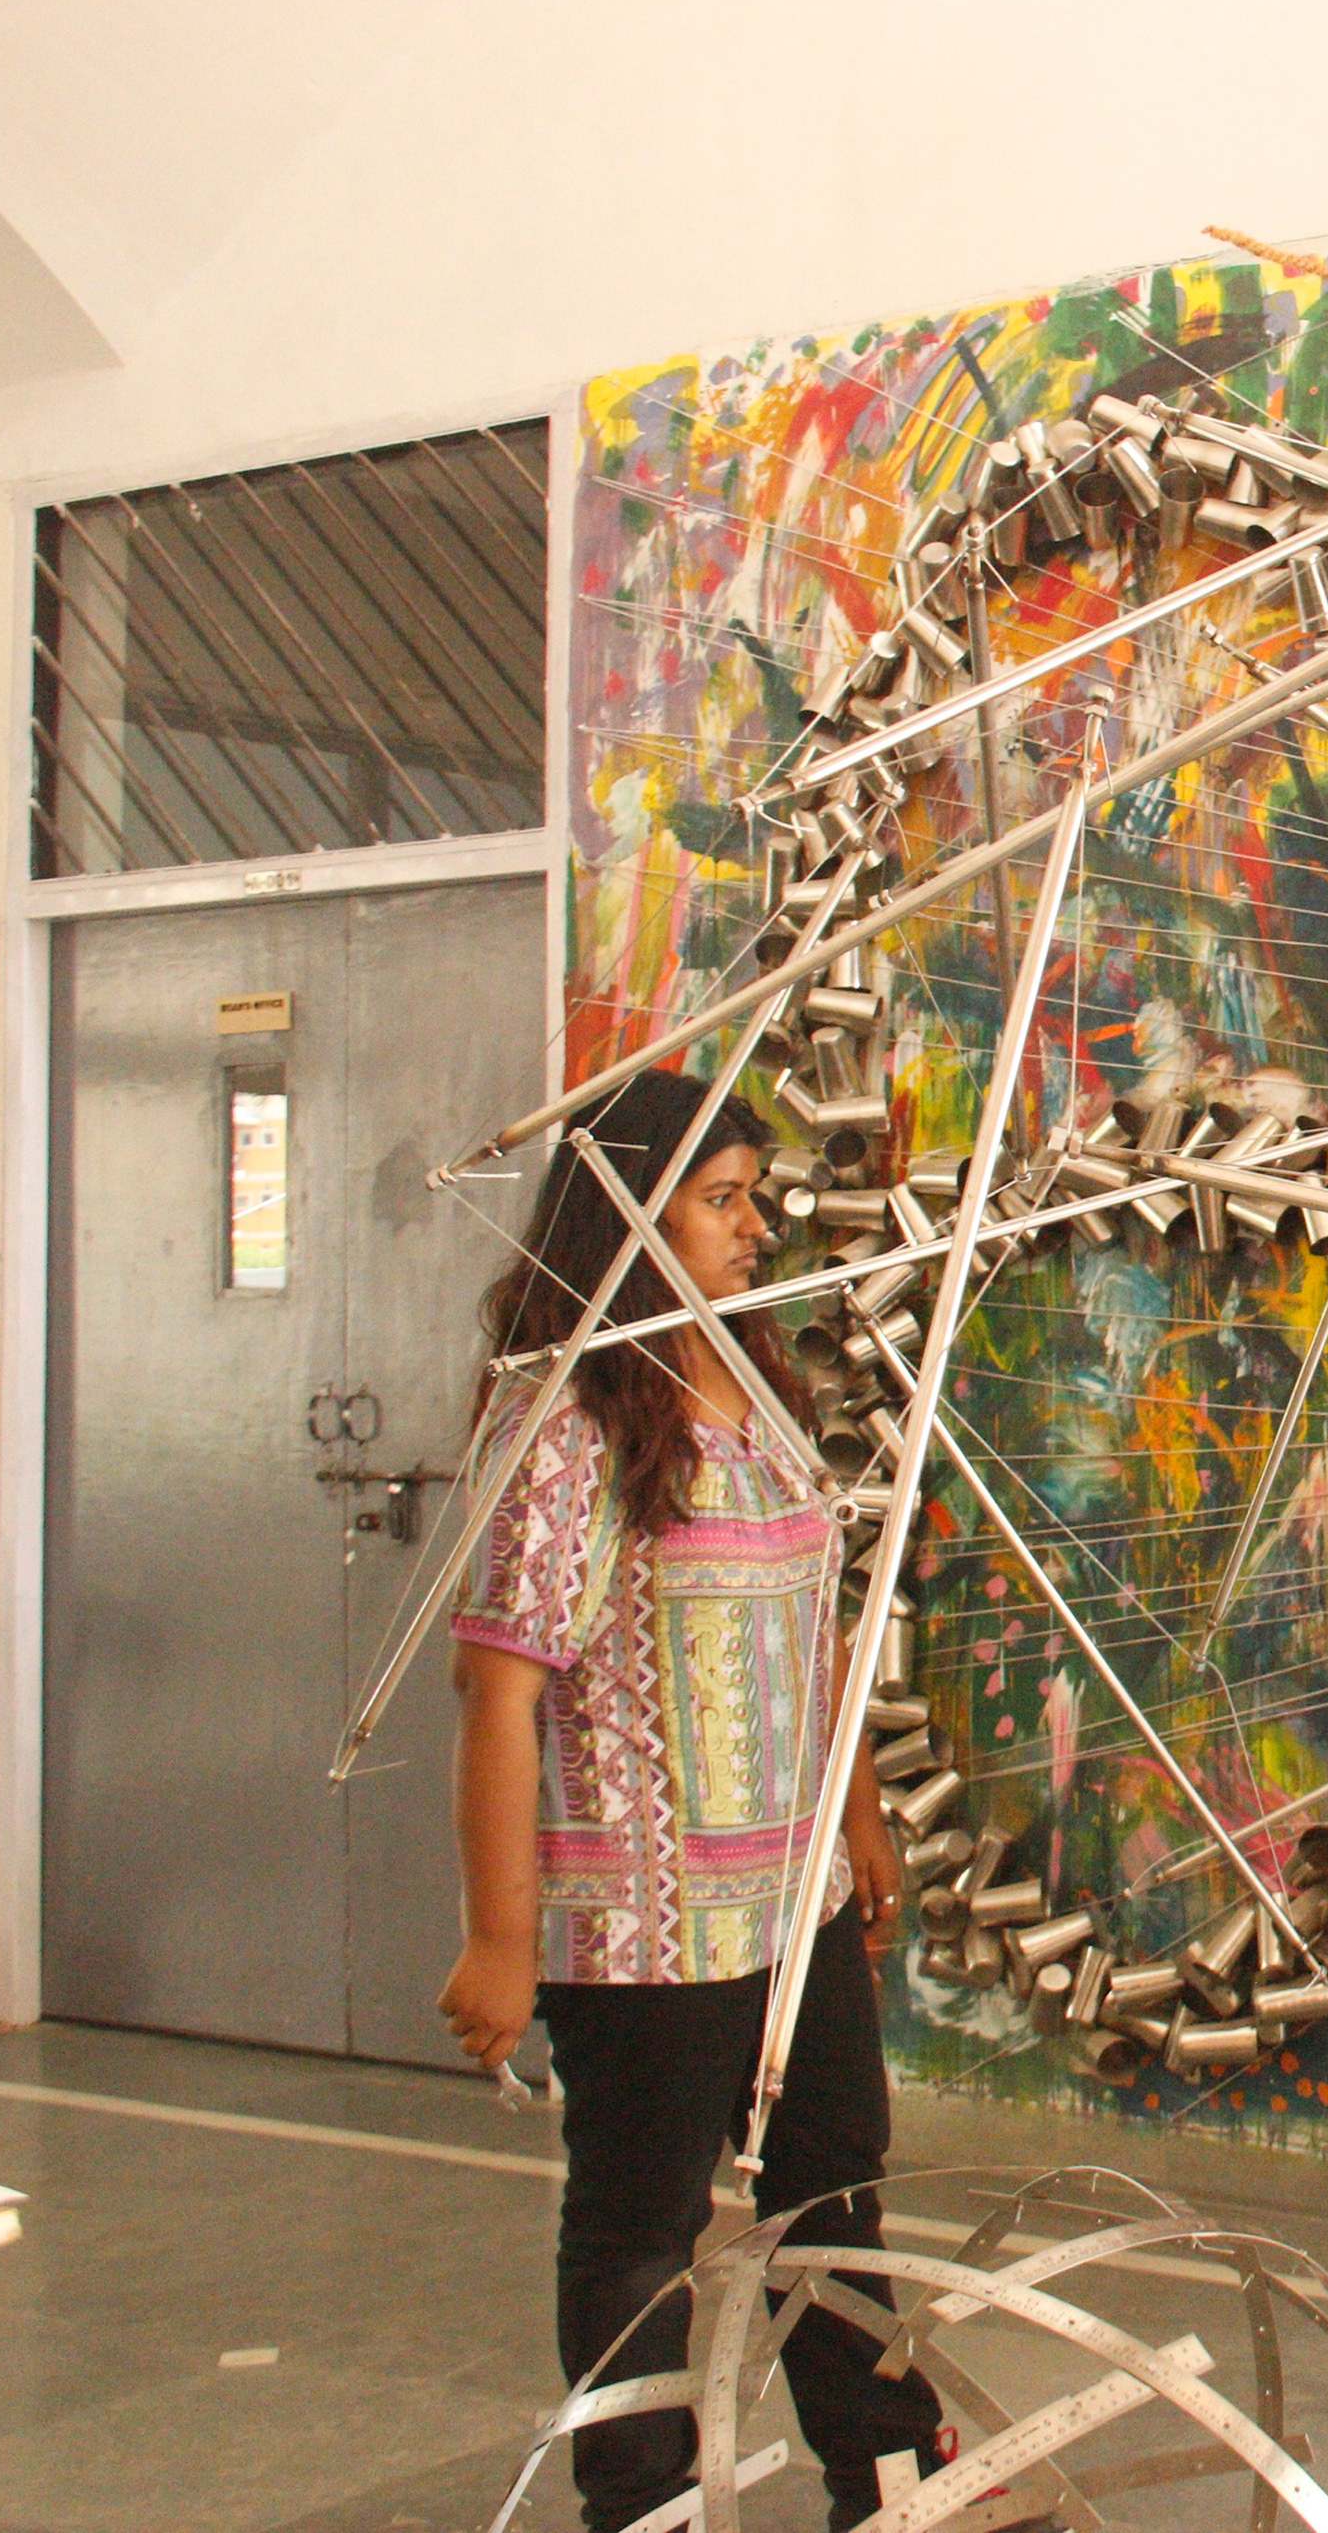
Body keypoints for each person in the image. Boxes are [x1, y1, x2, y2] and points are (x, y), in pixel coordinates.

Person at [434, 1068, 943, 2533]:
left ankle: (892, 2488)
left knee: (834, 2204)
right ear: (630, 1223)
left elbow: (818, 1628)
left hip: (795, 1905)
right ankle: (644, 2507)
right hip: (644, 1929)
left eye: (750, 1197)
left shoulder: (761, 1384)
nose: (754, 1225)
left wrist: (855, 1816)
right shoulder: (565, 1422)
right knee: (639, 2239)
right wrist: (500, 1940)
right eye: (720, 1200)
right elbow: (499, 1691)